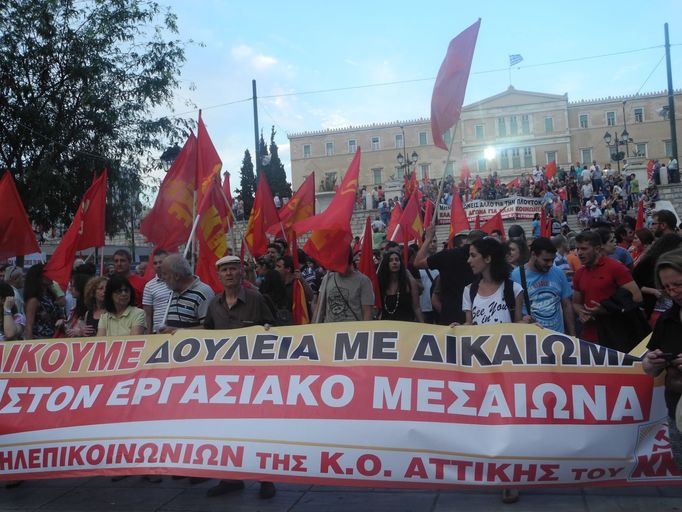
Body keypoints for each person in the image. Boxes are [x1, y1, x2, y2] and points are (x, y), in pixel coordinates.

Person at [203, 255, 277, 500]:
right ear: (219, 276)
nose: (229, 274)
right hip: (225, 379)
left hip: (254, 376)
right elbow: (207, 336)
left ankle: (266, 478)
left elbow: (274, 329)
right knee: (226, 429)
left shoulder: (256, 299)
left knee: (259, 428)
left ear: (242, 273)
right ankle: (230, 478)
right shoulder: (214, 304)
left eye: (233, 269)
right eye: (224, 270)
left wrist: (267, 330)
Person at [642, 248, 682, 472]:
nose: (673, 292)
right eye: (667, 288)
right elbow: (649, 368)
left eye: (678, 284)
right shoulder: (667, 319)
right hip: (677, 410)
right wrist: (652, 363)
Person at [572, 230, 644, 351]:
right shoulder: (579, 273)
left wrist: (606, 309)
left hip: (617, 335)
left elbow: (637, 297)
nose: (579, 253)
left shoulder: (616, 268)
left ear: (597, 249)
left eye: (584, 249)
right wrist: (582, 313)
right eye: (577, 249)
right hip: (589, 337)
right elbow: (576, 303)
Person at [414, 225, 481, 326]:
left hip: (451, 318)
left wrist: (428, 239)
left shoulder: (447, 255)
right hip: (478, 317)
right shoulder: (486, 260)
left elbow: (418, 262)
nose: (470, 261)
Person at [511, 237, 575, 335]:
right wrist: (521, 320)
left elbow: (566, 305)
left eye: (552, 260)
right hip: (531, 338)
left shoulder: (558, 273)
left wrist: (572, 335)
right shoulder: (516, 275)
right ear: (533, 255)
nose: (550, 264)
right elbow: (512, 309)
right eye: (546, 260)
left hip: (557, 337)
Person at [461, 237, 526, 326]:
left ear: (487, 258)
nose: (468, 260)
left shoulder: (515, 289)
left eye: (473, 255)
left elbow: (518, 323)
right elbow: (469, 324)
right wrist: (457, 329)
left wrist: (531, 326)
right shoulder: (469, 290)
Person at [313, 248, 374, 322]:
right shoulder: (328, 278)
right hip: (330, 331)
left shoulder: (363, 281)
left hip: (352, 331)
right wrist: (313, 327)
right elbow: (319, 308)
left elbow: (367, 312)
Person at [159, 254, 214, 333]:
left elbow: (209, 328)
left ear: (177, 276)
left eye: (164, 274)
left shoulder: (203, 293)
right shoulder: (173, 292)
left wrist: (180, 332)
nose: (162, 278)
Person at [376, 250, 423, 322]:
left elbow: (417, 308)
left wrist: (422, 324)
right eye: (391, 260)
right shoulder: (380, 283)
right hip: (386, 326)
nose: (394, 262)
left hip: (406, 325)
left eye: (397, 260)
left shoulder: (410, 282)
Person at [23, 264, 65, 340]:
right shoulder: (33, 300)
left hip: (55, 338)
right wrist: (29, 346)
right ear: (39, 277)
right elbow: (29, 326)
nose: (52, 275)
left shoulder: (51, 295)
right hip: (41, 341)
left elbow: (61, 310)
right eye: (48, 274)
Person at [142, 250, 172, 333]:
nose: (158, 265)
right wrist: (148, 334)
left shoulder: (177, 283)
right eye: (155, 263)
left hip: (176, 331)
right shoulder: (149, 286)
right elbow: (148, 315)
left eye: (160, 262)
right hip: (159, 332)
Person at [64, 273, 95, 337]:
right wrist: (63, 322)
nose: (70, 288)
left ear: (80, 287)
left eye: (73, 286)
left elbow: (91, 331)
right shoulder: (76, 306)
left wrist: (78, 331)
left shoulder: (91, 308)